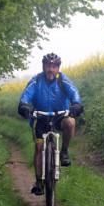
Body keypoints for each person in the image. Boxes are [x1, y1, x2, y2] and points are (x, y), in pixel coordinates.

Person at [17, 53, 83, 196]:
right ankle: (39, 181)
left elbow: (74, 92)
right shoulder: (36, 80)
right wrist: (24, 106)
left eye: (54, 67)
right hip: (40, 118)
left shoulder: (62, 80)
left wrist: (76, 103)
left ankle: (64, 151)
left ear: (58, 68)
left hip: (60, 116)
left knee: (71, 122)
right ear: (43, 66)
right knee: (39, 146)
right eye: (48, 66)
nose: (50, 70)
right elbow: (26, 95)